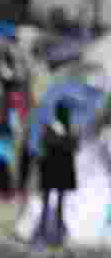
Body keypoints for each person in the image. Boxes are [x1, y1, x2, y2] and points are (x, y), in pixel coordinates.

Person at [36, 100, 79, 246]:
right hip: (54, 168)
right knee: (48, 201)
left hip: (59, 169)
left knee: (59, 202)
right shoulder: (53, 128)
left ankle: (57, 232)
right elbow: (49, 144)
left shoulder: (67, 129)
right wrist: (66, 140)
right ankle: (44, 231)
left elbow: (73, 147)